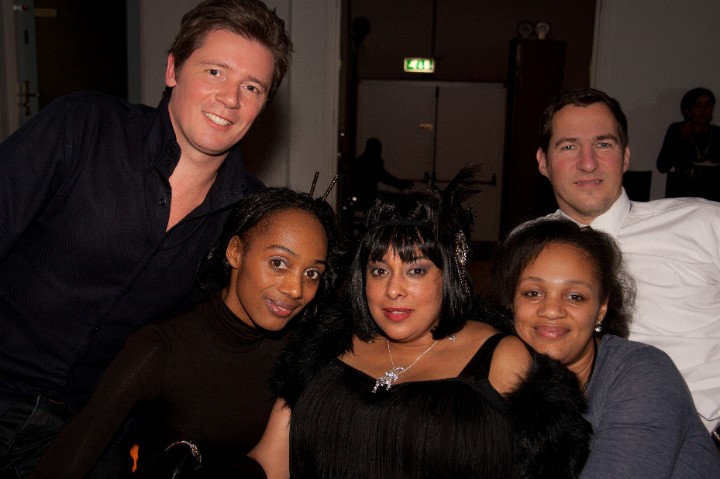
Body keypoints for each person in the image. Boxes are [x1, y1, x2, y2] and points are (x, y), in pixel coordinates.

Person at [0, 0, 292, 476]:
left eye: (252, 87)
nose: (230, 99)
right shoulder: (82, 127)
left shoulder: (248, 218)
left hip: (95, 428)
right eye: (215, 71)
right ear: (173, 69)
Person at [249, 166, 591, 479]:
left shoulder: (501, 358)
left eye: (416, 270)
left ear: (450, 276)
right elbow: (271, 463)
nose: (393, 290)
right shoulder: (323, 347)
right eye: (379, 270)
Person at [30, 186, 343, 478]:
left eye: (312, 273)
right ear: (235, 252)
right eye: (278, 263)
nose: (295, 289)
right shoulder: (160, 349)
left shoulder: (301, 353)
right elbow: (68, 460)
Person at [534, 87, 720, 437]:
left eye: (603, 144)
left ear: (625, 157)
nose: (588, 163)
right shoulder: (528, 249)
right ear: (543, 162)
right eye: (569, 146)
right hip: (590, 441)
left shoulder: (704, 224)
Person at [489, 218, 720, 477]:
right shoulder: (497, 370)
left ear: (601, 309)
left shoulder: (643, 374)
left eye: (575, 296)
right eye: (533, 293)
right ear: (512, 303)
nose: (551, 310)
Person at [657, 87, 720, 201]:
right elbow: (662, 166)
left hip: (712, 193)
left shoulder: (717, 133)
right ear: (687, 111)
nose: (703, 110)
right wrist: (681, 138)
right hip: (682, 192)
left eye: (708, 105)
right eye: (697, 105)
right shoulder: (677, 129)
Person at [349, 137, 414, 213]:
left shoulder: (360, 160)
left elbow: (382, 176)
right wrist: (399, 184)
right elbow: (383, 176)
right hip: (366, 195)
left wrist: (399, 183)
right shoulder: (373, 160)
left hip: (362, 195)